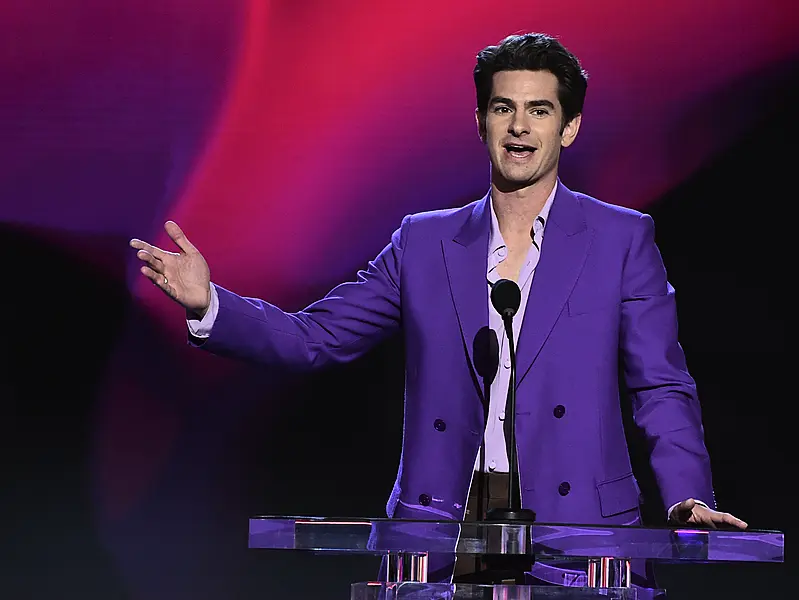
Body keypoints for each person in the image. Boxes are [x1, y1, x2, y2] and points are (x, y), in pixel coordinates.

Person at [130, 33, 746, 586]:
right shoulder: (423, 243)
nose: (519, 128)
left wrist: (687, 499)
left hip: (580, 539)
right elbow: (316, 336)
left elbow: (661, 383)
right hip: (439, 542)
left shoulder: (620, 240)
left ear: (570, 127)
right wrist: (210, 303)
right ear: (480, 121)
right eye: (504, 109)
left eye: (540, 110)